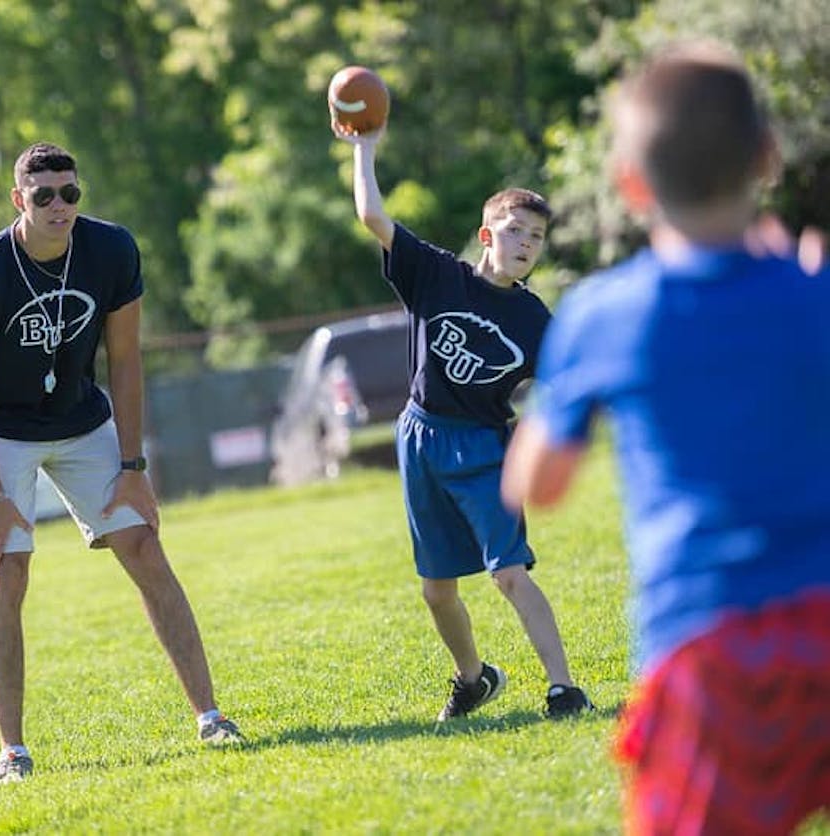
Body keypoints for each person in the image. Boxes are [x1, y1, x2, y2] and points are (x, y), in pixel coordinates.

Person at [501, 42, 830, 835]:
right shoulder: (814, 294)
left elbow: (535, 485)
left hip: (707, 646)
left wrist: (561, 390)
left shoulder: (602, 315)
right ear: (766, 157)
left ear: (631, 185)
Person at [0, 142, 242, 785]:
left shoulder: (111, 250)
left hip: (82, 420)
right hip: (3, 433)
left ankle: (212, 717)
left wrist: (133, 465)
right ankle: (12, 752)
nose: (59, 205)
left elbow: (125, 360)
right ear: (19, 200)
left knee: (145, 546)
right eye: (44, 195)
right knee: (7, 570)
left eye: (70, 193)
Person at [332, 121, 591, 721]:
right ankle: (473, 679)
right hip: (421, 437)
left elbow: (569, 388)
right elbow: (372, 216)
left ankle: (564, 688)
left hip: (484, 450)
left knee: (510, 574)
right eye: (515, 230)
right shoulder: (437, 274)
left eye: (537, 237)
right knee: (436, 589)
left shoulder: (534, 320)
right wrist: (364, 149)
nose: (526, 243)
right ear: (486, 235)